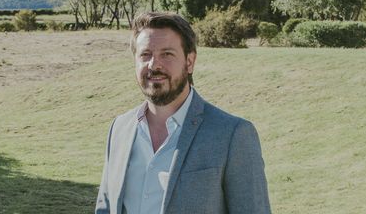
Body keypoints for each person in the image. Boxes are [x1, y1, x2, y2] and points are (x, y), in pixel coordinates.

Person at [95, 11, 271, 214]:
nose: (154, 64)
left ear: (189, 62)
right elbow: (105, 208)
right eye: (145, 54)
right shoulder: (119, 129)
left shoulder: (233, 135)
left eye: (167, 54)